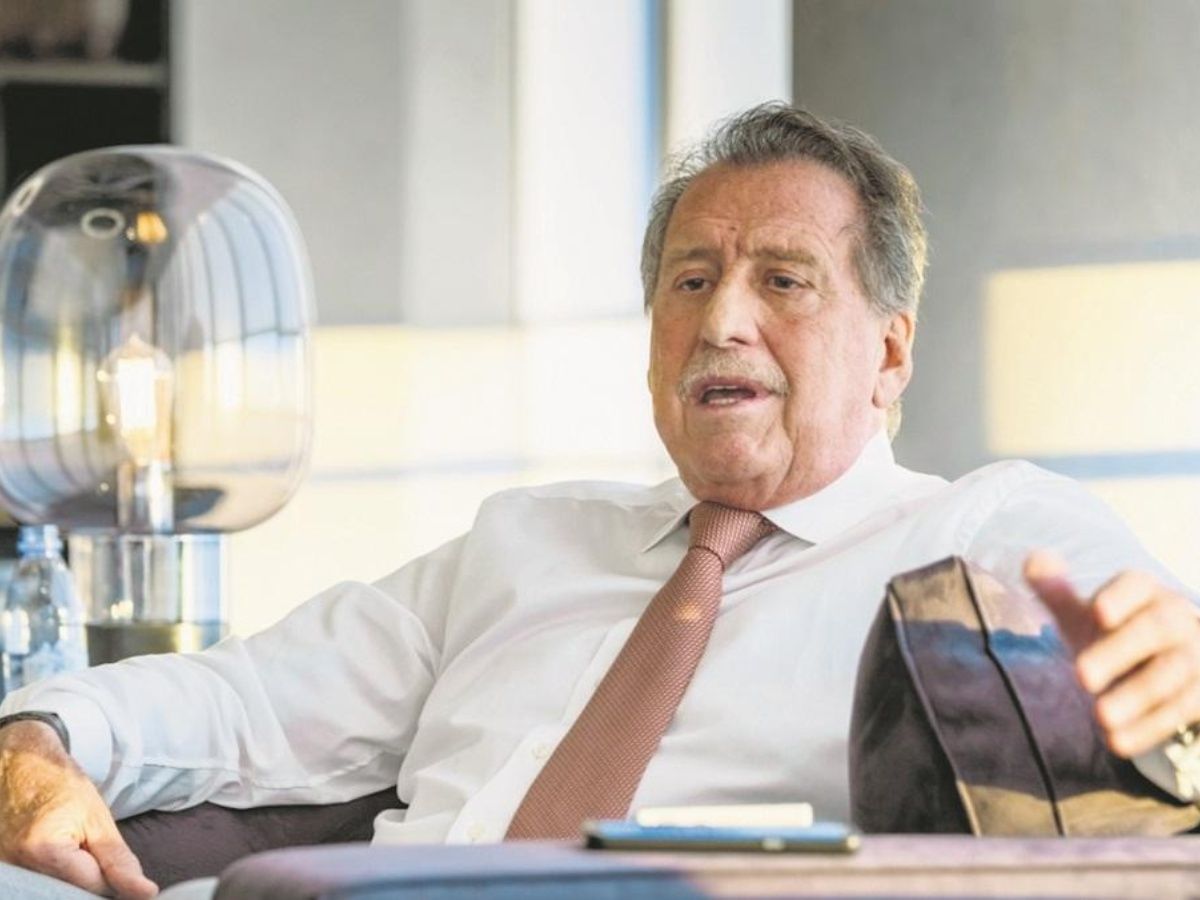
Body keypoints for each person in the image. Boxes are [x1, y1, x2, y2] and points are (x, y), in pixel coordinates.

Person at [1, 102, 1198, 898]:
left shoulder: (981, 533)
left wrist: (1182, 682)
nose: (723, 321)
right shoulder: (527, 540)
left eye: (784, 281)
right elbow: (247, 699)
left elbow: (1155, 656)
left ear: (890, 352)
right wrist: (38, 740)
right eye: (691, 280)